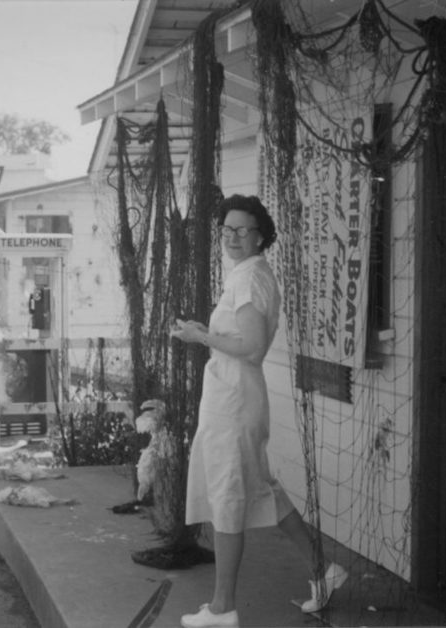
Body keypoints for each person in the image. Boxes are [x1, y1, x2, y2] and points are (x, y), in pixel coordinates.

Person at [171, 194, 347, 628]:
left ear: (261, 235)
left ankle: (222, 608)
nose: (232, 237)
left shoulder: (249, 280)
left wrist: (201, 337)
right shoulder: (253, 273)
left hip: (234, 400)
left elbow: (248, 348)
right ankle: (323, 571)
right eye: (226, 229)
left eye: (242, 230)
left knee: (229, 495)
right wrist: (205, 333)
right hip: (236, 396)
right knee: (261, 488)